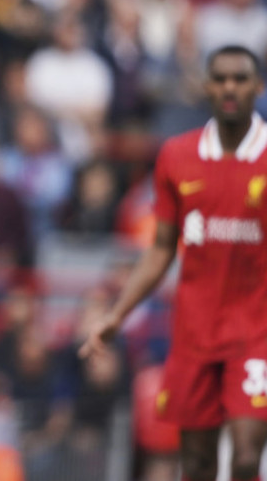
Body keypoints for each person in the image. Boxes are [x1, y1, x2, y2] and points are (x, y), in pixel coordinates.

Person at [80, 44, 267, 481]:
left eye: (240, 78)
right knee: (197, 464)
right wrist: (117, 314)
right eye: (220, 78)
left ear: (258, 87)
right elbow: (162, 247)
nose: (230, 87)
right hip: (194, 333)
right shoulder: (177, 155)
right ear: (206, 87)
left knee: (245, 457)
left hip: (256, 333)